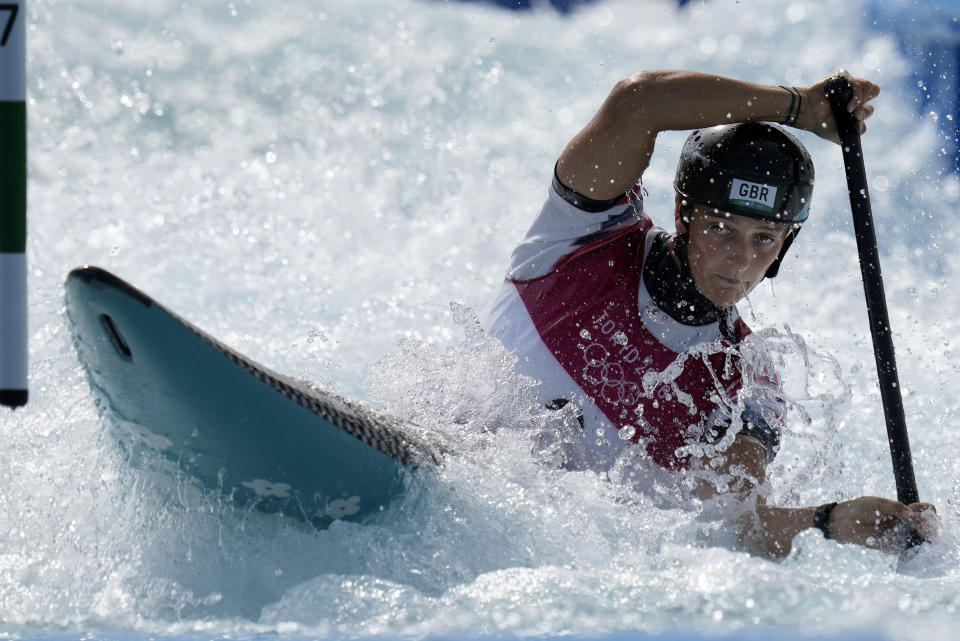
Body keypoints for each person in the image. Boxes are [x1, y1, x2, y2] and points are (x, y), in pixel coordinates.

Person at [484, 69, 939, 558]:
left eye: (763, 238)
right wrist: (796, 108)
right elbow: (639, 102)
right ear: (683, 213)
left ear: (785, 245)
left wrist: (828, 521)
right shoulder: (583, 236)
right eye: (722, 228)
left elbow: (736, 528)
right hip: (459, 468)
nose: (739, 260)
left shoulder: (748, 381)